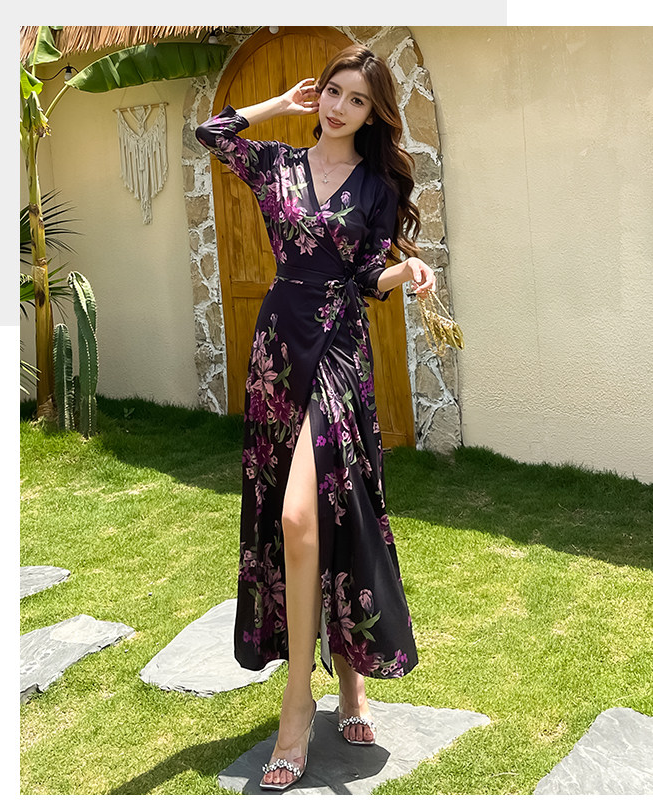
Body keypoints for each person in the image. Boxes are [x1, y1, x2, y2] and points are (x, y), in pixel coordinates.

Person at [195, 44, 436, 791]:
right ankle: (345, 683)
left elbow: (366, 276)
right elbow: (211, 133)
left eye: (357, 100)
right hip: (278, 347)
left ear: (373, 114)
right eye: (333, 92)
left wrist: (407, 270)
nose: (339, 108)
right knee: (303, 517)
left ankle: (299, 706)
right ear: (317, 92)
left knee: (310, 513)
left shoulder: (378, 185)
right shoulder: (277, 165)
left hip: (337, 348)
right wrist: (277, 105)